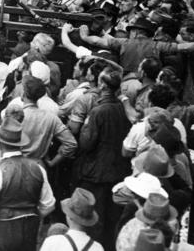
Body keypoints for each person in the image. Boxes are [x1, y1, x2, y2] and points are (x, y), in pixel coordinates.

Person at [0, 117, 55, 251]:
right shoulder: (38, 168)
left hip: (1, 232)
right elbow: (49, 205)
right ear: (20, 143)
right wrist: (31, 216)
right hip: (29, 230)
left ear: (0, 144)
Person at [76, 69, 131, 251]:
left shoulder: (98, 111)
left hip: (96, 173)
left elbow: (86, 143)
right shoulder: (123, 109)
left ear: (102, 85)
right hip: (118, 172)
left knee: (95, 221)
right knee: (112, 221)